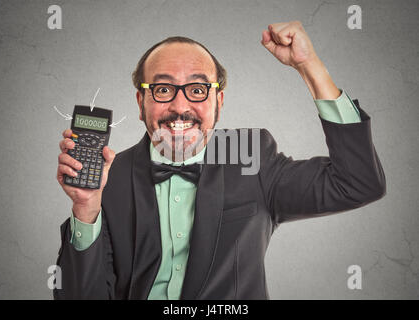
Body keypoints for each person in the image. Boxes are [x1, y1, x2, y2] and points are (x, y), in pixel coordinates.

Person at [54, 21, 386, 299]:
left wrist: (310, 66)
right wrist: (86, 207)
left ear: (219, 101)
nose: (180, 106)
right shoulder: (107, 176)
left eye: (197, 89)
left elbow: (357, 183)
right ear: (141, 102)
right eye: (163, 89)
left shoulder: (249, 156)